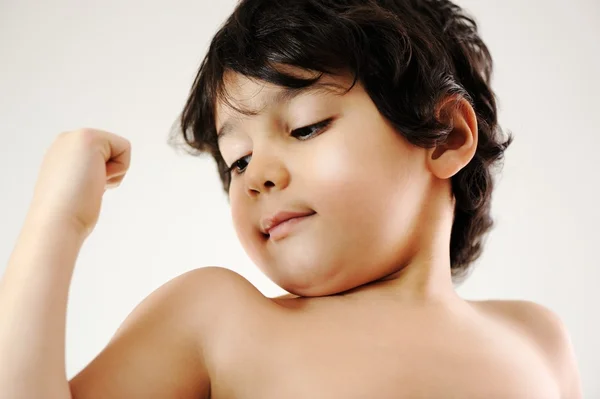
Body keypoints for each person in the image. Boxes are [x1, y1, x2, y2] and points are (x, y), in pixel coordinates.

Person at [0, 0, 582, 398]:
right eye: (238, 161)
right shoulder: (217, 320)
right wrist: (58, 220)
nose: (256, 178)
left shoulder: (536, 339)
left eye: (305, 127)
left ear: (447, 137)